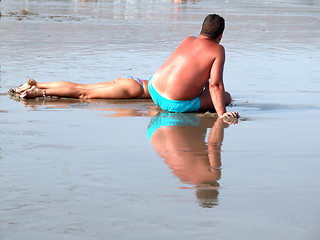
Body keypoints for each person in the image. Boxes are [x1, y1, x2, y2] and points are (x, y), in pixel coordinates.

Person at [148, 14, 239, 118]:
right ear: (220, 36)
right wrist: (222, 113)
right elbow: (215, 85)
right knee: (226, 97)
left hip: (153, 89)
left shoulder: (188, 39)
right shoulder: (218, 50)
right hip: (173, 104)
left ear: (201, 29)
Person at [14, 76, 150, 99]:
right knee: (83, 94)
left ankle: (37, 84)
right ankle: (38, 92)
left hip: (132, 80)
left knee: (82, 87)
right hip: (137, 89)